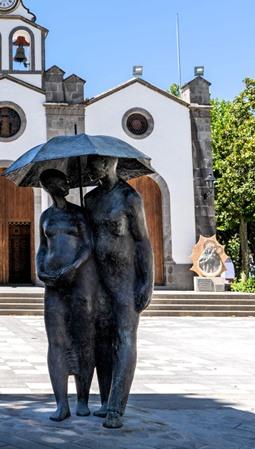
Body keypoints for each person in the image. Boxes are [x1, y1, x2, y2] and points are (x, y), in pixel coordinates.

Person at [85, 156, 153, 429]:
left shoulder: (129, 197)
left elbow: (143, 241)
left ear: (112, 163)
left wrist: (147, 282)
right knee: (102, 338)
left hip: (126, 279)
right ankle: (105, 400)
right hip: (99, 279)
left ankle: (117, 407)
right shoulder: (90, 200)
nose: (94, 168)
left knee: (124, 337)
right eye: (92, 165)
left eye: (99, 163)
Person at [36, 168, 99, 421]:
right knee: (56, 342)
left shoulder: (80, 214)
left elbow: (88, 245)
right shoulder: (46, 217)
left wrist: (73, 268)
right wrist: (40, 269)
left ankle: (82, 399)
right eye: (57, 182)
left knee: (84, 340)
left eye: (63, 181)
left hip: (80, 283)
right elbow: (43, 248)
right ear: (49, 187)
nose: (63, 185)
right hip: (53, 285)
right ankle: (61, 403)